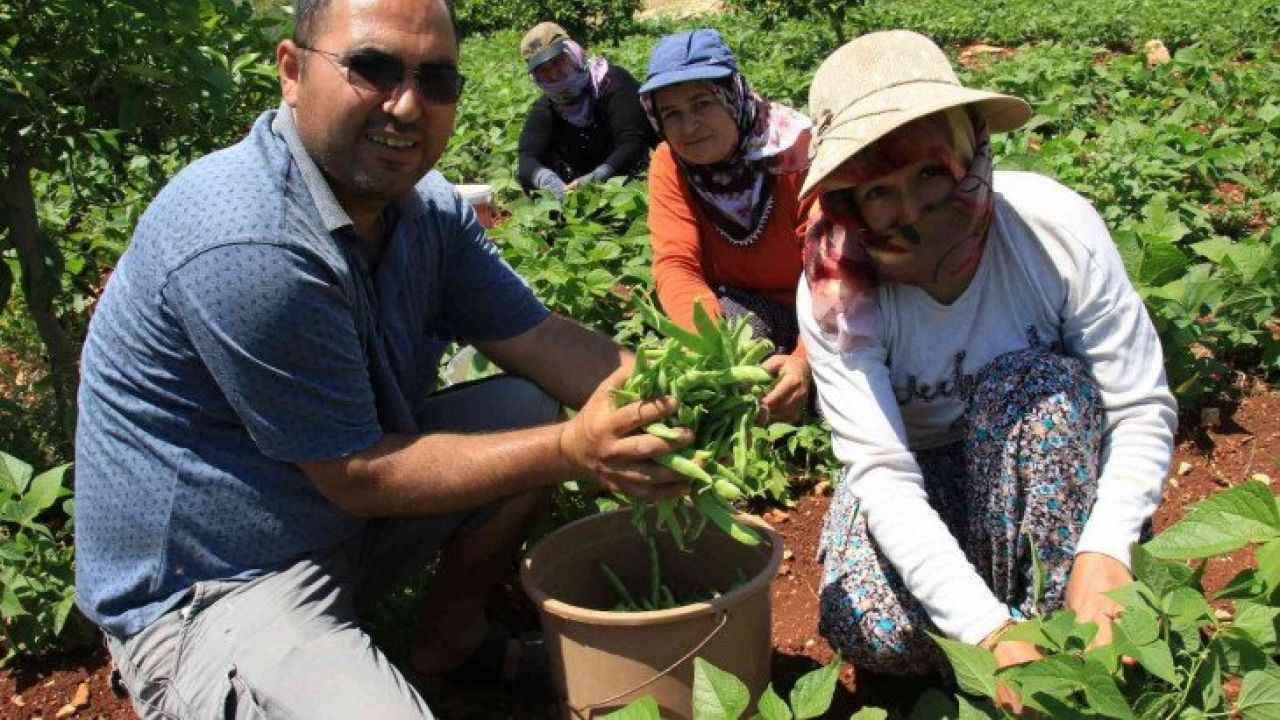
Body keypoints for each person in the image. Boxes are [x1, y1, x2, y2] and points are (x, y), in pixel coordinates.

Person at [73, 1, 693, 718]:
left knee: (523, 408)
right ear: (291, 71)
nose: (406, 105)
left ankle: (451, 643)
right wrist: (572, 450)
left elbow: (541, 340)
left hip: (330, 513)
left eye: (437, 81)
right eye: (372, 69)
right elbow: (358, 477)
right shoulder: (250, 240)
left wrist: (683, 395)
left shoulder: (424, 208)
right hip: (215, 580)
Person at [795, 30, 1177, 707]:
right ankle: (1008, 640)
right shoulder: (838, 293)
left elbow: (1139, 404)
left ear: (972, 149)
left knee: (1040, 394)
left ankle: (1064, 639)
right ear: (849, 200)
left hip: (1039, 471)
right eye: (879, 192)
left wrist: (1108, 547)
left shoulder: (1052, 230)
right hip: (920, 472)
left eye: (930, 172)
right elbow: (882, 471)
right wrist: (983, 629)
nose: (913, 211)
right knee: (870, 627)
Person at [639, 29, 815, 423]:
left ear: (732, 96)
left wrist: (806, 360)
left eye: (702, 103)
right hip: (743, 307)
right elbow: (676, 263)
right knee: (704, 389)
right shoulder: (671, 163)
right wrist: (711, 347)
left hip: (825, 311)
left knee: (837, 395)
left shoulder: (797, 155)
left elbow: (834, 274)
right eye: (672, 114)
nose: (688, 127)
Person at [516, 22, 657, 200]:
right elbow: (526, 158)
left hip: (627, 185)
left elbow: (632, 142)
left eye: (558, 61)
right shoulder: (547, 107)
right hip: (577, 193)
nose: (553, 74)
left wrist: (597, 177)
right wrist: (547, 180)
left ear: (575, 54)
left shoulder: (613, 84)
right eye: (543, 70)